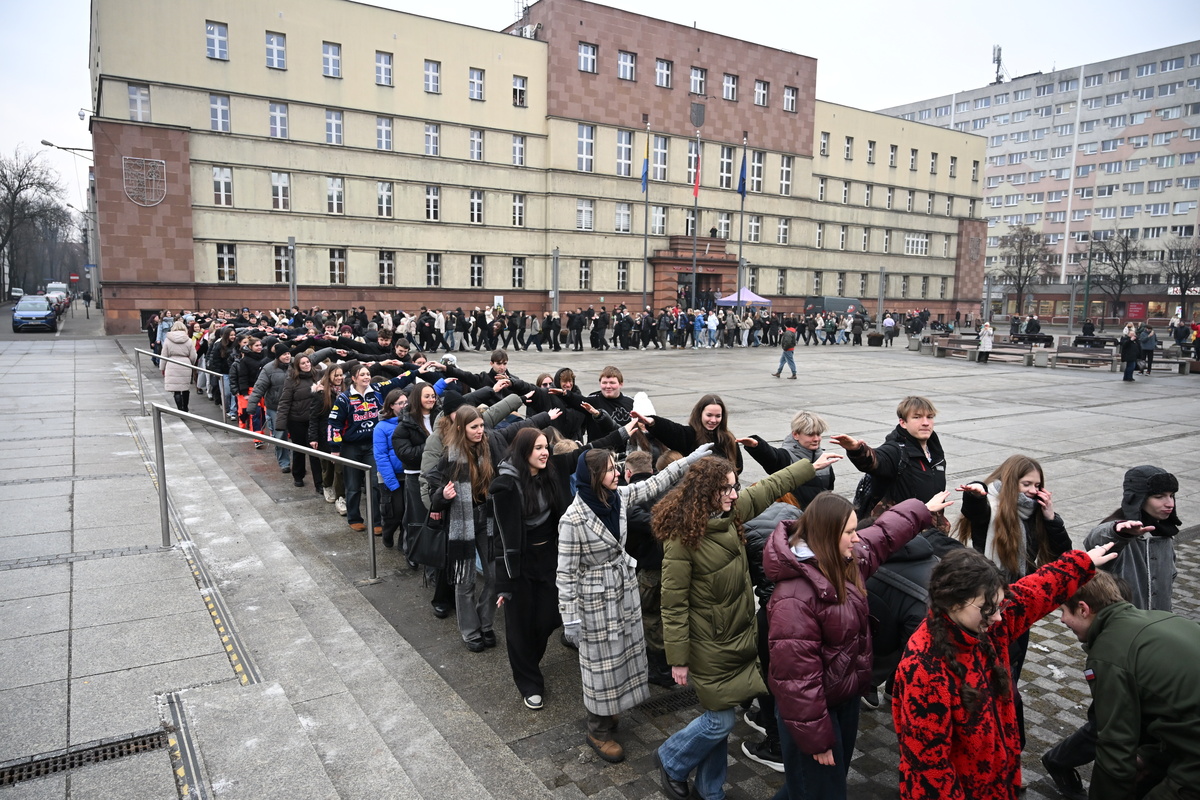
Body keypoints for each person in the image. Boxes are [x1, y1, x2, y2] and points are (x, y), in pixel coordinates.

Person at [653, 450, 843, 800]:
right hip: (709, 643)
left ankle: (710, 791)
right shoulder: (682, 540)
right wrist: (677, 658)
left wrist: (810, 467)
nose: (734, 494)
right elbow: (673, 603)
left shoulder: (730, 513)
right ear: (707, 491)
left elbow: (769, 487)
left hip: (737, 638)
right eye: (726, 488)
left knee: (720, 714)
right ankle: (671, 758)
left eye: (735, 486)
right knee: (719, 720)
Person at [892, 543, 1118, 800]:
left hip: (1000, 782)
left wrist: (1081, 563)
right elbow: (929, 769)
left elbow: (1035, 591)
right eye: (988, 609)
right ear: (953, 603)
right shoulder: (924, 669)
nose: (998, 617)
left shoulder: (984, 625)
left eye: (1000, 605)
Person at [766, 491, 955, 800]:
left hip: (844, 697)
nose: (857, 538)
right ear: (827, 535)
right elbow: (797, 680)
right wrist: (816, 739)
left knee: (813, 786)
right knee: (821, 791)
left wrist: (923, 510)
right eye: (850, 532)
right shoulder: (794, 598)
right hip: (813, 712)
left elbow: (884, 534)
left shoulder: (845, 560)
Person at [557, 443, 712, 764]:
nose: (616, 473)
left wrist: (690, 459)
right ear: (593, 476)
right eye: (609, 470)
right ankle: (598, 731)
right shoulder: (573, 519)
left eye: (616, 467)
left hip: (623, 590)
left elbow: (654, 483)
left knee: (622, 656)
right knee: (601, 664)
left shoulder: (617, 497)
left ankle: (610, 709)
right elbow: (566, 573)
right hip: (595, 600)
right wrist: (570, 617)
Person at [492, 422, 633, 709]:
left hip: (551, 557)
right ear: (524, 451)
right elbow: (500, 536)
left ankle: (529, 661)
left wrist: (624, 431)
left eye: (546, 447)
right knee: (519, 625)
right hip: (520, 563)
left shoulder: (552, 470)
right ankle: (529, 682)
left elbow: (587, 451)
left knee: (549, 617)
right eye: (538, 448)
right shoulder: (505, 485)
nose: (545, 453)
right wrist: (503, 583)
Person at [955, 454, 1072, 749]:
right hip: (985, 604)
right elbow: (975, 509)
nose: (1032, 490)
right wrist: (975, 491)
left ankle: (1003, 737)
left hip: (1018, 605)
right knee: (988, 676)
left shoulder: (1034, 513)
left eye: (1037, 485)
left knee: (1011, 673)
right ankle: (991, 738)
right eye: (1026, 484)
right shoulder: (991, 505)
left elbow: (1063, 555)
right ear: (1010, 482)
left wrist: (1051, 517)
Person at [1056, 571, 1200, 800]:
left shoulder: (1109, 654)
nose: (1062, 620)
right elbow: (1178, 708)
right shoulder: (1163, 618)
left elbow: (1116, 746)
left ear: (1083, 609)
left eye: (1063, 611)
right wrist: (1150, 755)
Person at [832, 396, 949, 531]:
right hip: (901, 532)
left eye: (930, 417)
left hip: (932, 532)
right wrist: (857, 450)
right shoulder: (896, 450)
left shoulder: (935, 453)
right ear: (903, 423)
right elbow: (875, 461)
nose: (925, 423)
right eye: (917, 417)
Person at [1083, 465, 1180, 612]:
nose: (1170, 504)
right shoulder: (1118, 530)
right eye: (1159, 497)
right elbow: (1096, 539)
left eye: (1171, 495)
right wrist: (1119, 532)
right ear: (1138, 498)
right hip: (1122, 622)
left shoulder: (1164, 533)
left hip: (1158, 621)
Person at [326, 363, 405, 533]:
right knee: (353, 485)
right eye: (362, 375)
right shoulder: (344, 399)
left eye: (368, 374)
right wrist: (335, 449)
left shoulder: (376, 391)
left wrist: (417, 371)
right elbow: (334, 424)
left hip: (372, 445)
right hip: (350, 446)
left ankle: (377, 521)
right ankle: (354, 518)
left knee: (376, 484)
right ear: (354, 378)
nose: (366, 377)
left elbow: (398, 381)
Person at [738, 410, 835, 510]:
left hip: (819, 514)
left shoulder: (823, 458)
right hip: (794, 515)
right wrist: (757, 446)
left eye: (818, 434)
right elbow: (772, 458)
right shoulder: (786, 456)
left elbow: (829, 489)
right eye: (810, 435)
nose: (816, 439)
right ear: (796, 434)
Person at [636, 393, 742, 473]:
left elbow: (738, 467)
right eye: (709, 415)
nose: (713, 420)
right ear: (699, 414)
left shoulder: (729, 438)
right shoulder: (690, 435)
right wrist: (653, 422)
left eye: (718, 416)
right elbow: (671, 429)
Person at [276, 354, 324, 491]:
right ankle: (298, 476)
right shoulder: (291, 380)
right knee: (299, 450)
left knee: (315, 452)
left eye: (308, 362)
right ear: (298, 366)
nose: (306, 365)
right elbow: (285, 401)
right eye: (303, 363)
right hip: (296, 421)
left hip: (313, 420)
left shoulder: (318, 375)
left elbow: (337, 369)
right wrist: (280, 424)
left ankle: (319, 483)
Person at [373, 388, 407, 549]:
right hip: (391, 476)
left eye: (406, 402)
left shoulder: (409, 422)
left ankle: (403, 542)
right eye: (401, 403)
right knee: (394, 512)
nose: (404, 405)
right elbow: (381, 456)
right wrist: (392, 482)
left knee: (407, 512)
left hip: (407, 474)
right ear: (391, 405)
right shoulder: (381, 427)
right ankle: (388, 533)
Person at [161, 320, 197, 412]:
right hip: (185, 364)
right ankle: (185, 408)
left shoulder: (167, 340)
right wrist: (191, 363)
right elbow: (193, 355)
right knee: (185, 388)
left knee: (176, 390)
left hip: (171, 363)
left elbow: (164, 355)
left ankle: (180, 409)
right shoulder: (188, 340)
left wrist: (162, 367)